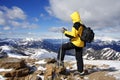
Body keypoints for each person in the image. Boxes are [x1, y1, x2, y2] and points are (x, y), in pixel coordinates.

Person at [57, 11, 86, 75]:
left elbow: (73, 35)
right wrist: (67, 31)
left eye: (72, 18)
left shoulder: (76, 24)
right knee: (79, 57)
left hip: (76, 42)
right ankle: (80, 71)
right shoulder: (82, 25)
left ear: (74, 17)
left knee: (62, 47)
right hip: (81, 43)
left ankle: (60, 62)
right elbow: (78, 34)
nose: (71, 19)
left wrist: (64, 32)